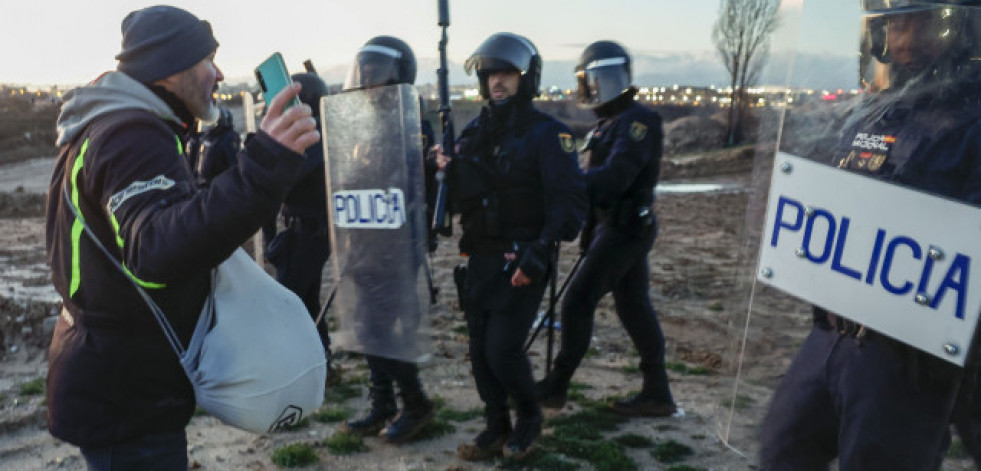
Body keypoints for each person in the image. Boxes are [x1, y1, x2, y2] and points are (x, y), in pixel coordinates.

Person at [45, 5, 319, 469]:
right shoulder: (131, 136)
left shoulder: (109, 127)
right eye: (208, 60)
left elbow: (162, 222)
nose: (219, 73)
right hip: (126, 396)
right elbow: (156, 252)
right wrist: (265, 165)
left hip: (117, 379)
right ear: (170, 68)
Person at [758, 1, 981, 469]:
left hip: (909, 355)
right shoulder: (873, 113)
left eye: (918, 23)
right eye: (891, 24)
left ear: (959, 25)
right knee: (782, 448)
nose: (900, 42)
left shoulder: (972, 122)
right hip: (833, 329)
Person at [436, 32, 587, 460]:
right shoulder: (473, 132)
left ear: (526, 78)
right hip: (479, 256)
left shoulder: (548, 134)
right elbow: (464, 194)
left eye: (506, 73)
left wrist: (539, 254)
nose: (497, 82)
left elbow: (570, 201)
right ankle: (495, 425)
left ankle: (529, 418)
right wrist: (443, 168)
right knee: (479, 351)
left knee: (502, 349)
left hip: (523, 256)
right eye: (490, 75)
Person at [536, 40, 678, 419]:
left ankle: (557, 383)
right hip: (614, 229)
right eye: (586, 82)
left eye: (593, 81)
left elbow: (614, 179)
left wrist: (567, 182)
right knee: (634, 308)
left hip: (627, 229)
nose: (589, 90)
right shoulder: (609, 124)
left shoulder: (638, 122)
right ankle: (657, 392)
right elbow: (598, 187)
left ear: (611, 79)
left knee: (577, 301)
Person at [335, 36, 439, 444]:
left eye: (376, 77)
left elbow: (407, 181)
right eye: (364, 76)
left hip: (396, 244)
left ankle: (414, 403)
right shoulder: (362, 125)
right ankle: (382, 404)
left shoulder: (411, 122)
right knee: (367, 324)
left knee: (375, 326)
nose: (368, 84)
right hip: (364, 240)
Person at [263, 72, 335, 369]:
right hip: (299, 232)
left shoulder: (316, 142)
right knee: (306, 302)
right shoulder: (309, 139)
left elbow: (285, 180)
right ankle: (321, 360)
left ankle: (298, 365)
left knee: (287, 302)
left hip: (311, 234)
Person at [186, 106, 241, 186]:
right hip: (204, 181)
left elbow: (232, 162)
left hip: (215, 182)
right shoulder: (205, 137)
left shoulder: (228, 138)